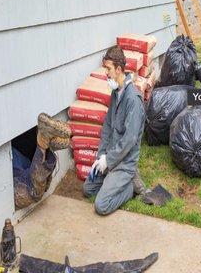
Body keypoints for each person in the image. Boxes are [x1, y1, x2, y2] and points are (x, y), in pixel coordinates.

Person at [83, 45, 146, 215]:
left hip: (124, 163)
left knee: (101, 205)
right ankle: (111, 183)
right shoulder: (116, 93)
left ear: (119, 69)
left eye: (108, 69)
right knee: (88, 189)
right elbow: (108, 127)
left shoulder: (133, 99)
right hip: (111, 157)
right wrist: (101, 156)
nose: (106, 73)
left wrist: (109, 161)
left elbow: (129, 140)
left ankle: (130, 187)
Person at [13, 113, 71, 209]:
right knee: (30, 189)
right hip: (25, 182)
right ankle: (45, 144)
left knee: (32, 186)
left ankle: (44, 143)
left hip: (23, 173)